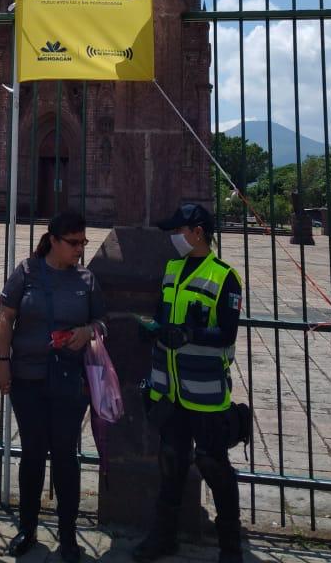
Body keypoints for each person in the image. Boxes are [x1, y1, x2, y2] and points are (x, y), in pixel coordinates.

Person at [133, 204, 243, 563]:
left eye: (178, 230)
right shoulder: (171, 269)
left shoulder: (225, 276)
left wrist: (190, 333)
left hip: (205, 391)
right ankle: (163, 539)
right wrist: (153, 328)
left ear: (197, 231)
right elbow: (164, 315)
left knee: (213, 465)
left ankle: (230, 547)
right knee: (171, 462)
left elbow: (227, 332)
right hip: (170, 389)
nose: (173, 237)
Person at [0, 213, 106, 563]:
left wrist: (88, 331)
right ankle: (27, 528)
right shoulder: (26, 271)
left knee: (64, 456)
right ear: (54, 240)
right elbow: (5, 317)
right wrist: (2, 362)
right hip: (28, 377)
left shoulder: (86, 280)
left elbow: (103, 322)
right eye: (74, 243)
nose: (80, 249)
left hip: (69, 381)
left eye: (83, 243)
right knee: (31, 454)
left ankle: (69, 535)